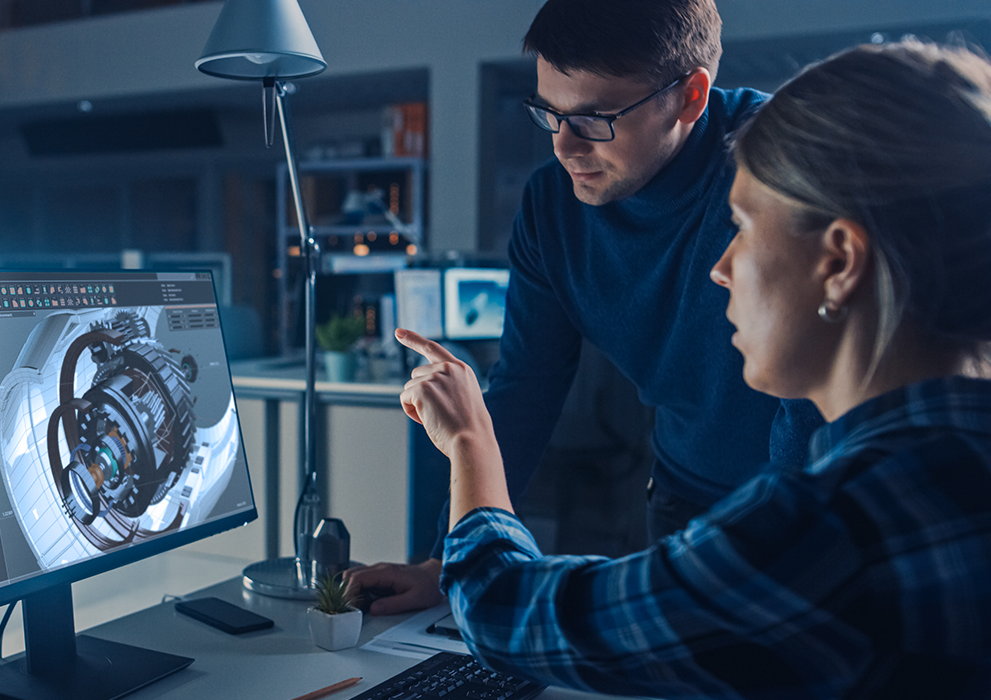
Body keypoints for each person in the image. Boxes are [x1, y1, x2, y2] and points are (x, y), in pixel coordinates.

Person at [400, 41, 991, 698]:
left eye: (743, 226)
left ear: (840, 262)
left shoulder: (822, 535)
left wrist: (468, 441)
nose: (722, 265)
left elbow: (508, 612)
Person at [348, 0, 823, 615]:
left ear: (690, 97)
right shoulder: (552, 209)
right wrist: (444, 560)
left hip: (805, 498)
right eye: (550, 114)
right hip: (683, 495)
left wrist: (792, 543)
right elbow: (526, 384)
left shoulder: (781, 168)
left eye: (596, 119)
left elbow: (812, 393)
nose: (565, 147)